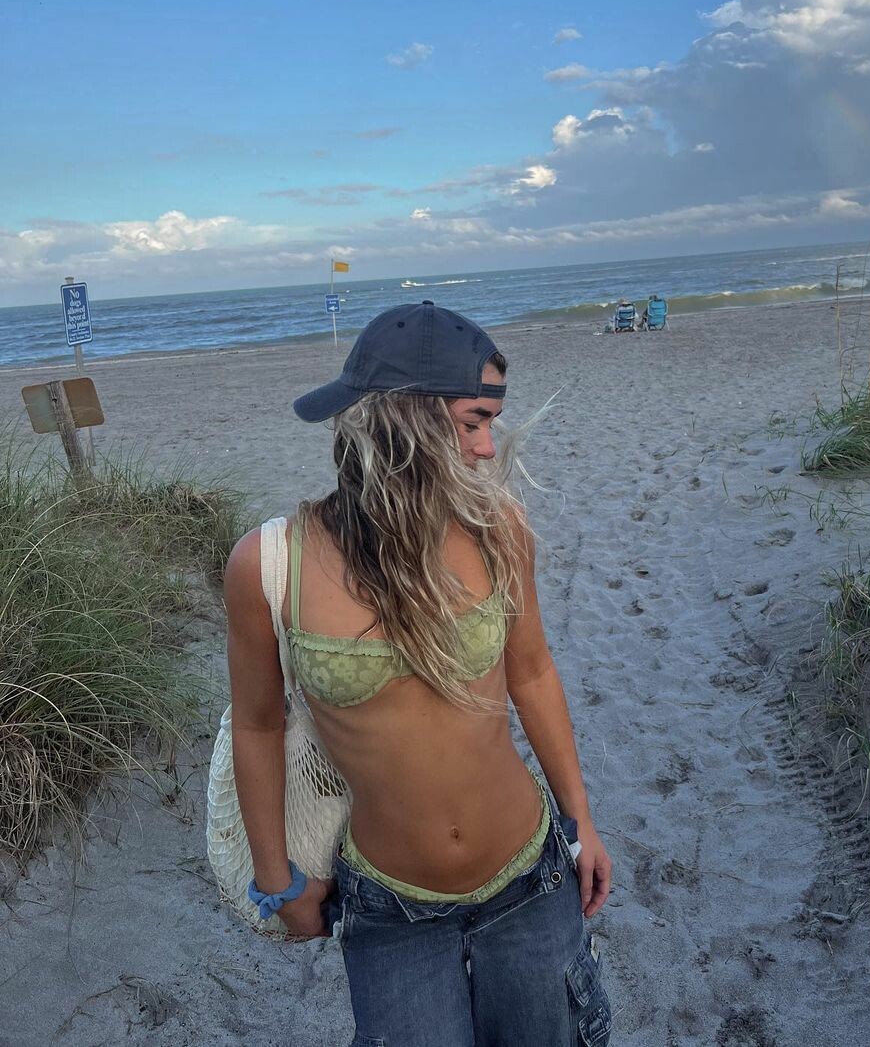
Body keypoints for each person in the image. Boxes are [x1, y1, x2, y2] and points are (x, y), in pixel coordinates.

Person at [223, 301, 614, 1046]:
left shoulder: (499, 529)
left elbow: (533, 672)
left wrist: (580, 818)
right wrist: (276, 878)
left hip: (529, 879)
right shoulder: (271, 563)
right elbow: (257, 724)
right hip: (389, 906)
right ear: (403, 420)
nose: (487, 448)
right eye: (473, 422)